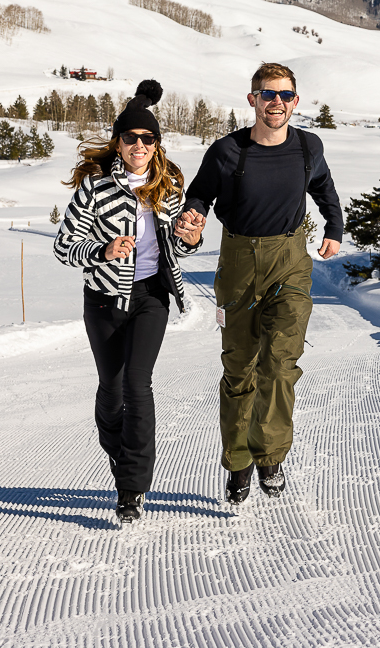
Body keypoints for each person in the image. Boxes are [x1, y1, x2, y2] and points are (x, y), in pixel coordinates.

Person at [180, 62, 343, 504]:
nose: (277, 102)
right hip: (237, 265)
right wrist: (192, 218)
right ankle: (238, 462)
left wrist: (333, 225)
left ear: (296, 100)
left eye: (285, 95)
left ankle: (270, 454)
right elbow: (199, 194)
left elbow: (324, 186)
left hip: (289, 261)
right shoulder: (227, 151)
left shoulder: (309, 146)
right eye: (268, 94)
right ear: (252, 99)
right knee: (239, 370)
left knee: (280, 362)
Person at [54, 80, 204, 524]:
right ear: (118, 144)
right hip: (103, 299)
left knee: (139, 385)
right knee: (111, 389)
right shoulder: (95, 189)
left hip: (151, 297)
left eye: (148, 138)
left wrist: (191, 239)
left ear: (157, 145)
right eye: (131, 138)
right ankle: (118, 451)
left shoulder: (170, 191)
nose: (139, 145)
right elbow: (65, 247)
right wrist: (102, 251)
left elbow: (181, 244)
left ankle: (132, 489)